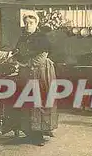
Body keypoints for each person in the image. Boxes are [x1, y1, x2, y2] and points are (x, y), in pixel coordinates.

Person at [10, 11, 58, 146]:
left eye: (31, 23)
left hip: (40, 71)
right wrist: (14, 58)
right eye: (26, 23)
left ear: (36, 23)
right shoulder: (22, 37)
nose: (28, 25)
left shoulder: (41, 37)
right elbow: (18, 52)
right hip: (26, 72)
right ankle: (30, 133)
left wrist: (26, 64)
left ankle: (40, 134)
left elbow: (42, 55)